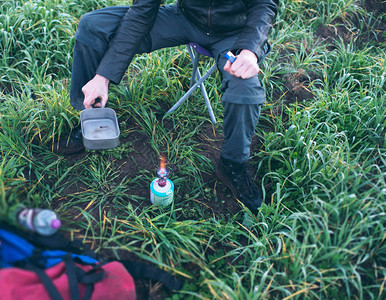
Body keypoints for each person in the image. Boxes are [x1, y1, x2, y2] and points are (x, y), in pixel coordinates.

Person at [56, 0, 279, 213]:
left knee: (246, 91)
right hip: (185, 18)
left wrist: (250, 50)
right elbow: (142, 11)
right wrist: (102, 76)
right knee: (93, 26)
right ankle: (90, 119)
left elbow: (264, 3)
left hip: (235, 32)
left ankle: (232, 164)